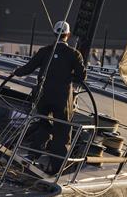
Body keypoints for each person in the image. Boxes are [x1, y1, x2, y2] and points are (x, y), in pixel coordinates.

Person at [14, 20, 86, 174]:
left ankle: (33, 155)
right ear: (68, 35)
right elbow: (81, 76)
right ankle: (57, 167)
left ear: (54, 34)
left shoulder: (45, 51)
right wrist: (67, 78)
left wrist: (16, 72)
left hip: (43, 97)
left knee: (43, 123)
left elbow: (28, 68)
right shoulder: (74, 54)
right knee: (62, 129)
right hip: (61, 100)